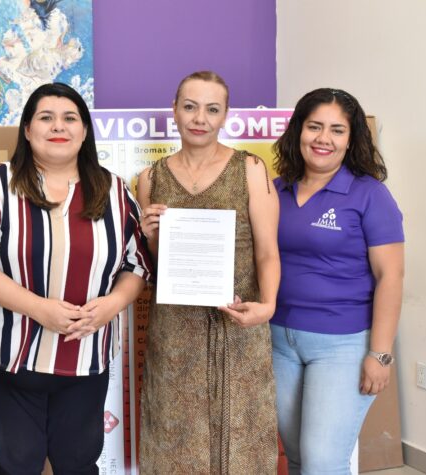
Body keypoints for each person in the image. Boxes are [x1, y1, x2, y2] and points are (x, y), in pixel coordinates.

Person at [0, 82, 152, 475]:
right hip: (7, 358)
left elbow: (138, 263)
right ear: (28, 130)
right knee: (20, 464)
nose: (58, 126)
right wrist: (38, 309)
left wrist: (111, 305)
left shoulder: (114, 191)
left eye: (69, 118)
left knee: (78, 463)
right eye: (46, 118)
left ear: (84, 130)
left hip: (86, 359)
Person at [137, 70, 281, 473]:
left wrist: (268, 305)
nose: (200, 118)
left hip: (238, 322)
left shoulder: (250, 168)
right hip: (175, 332)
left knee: (242, 434)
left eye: (212, 109)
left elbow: (268, 252)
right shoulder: (150, 178)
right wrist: (150, 235)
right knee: (176, 435)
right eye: (190, 107)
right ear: (174, 110)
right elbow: (158, 261)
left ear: (225, 116)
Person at [271, 88, 404, 474]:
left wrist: (380, 354)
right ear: (299, 130)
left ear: (351, 138)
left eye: (337, 130)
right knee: (298, 459)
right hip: (278, 341)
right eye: (314, 126)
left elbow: (391, 276)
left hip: (342, 345)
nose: (323, 138)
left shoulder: (370, 195)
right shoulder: (276, 190)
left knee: (323, 463)